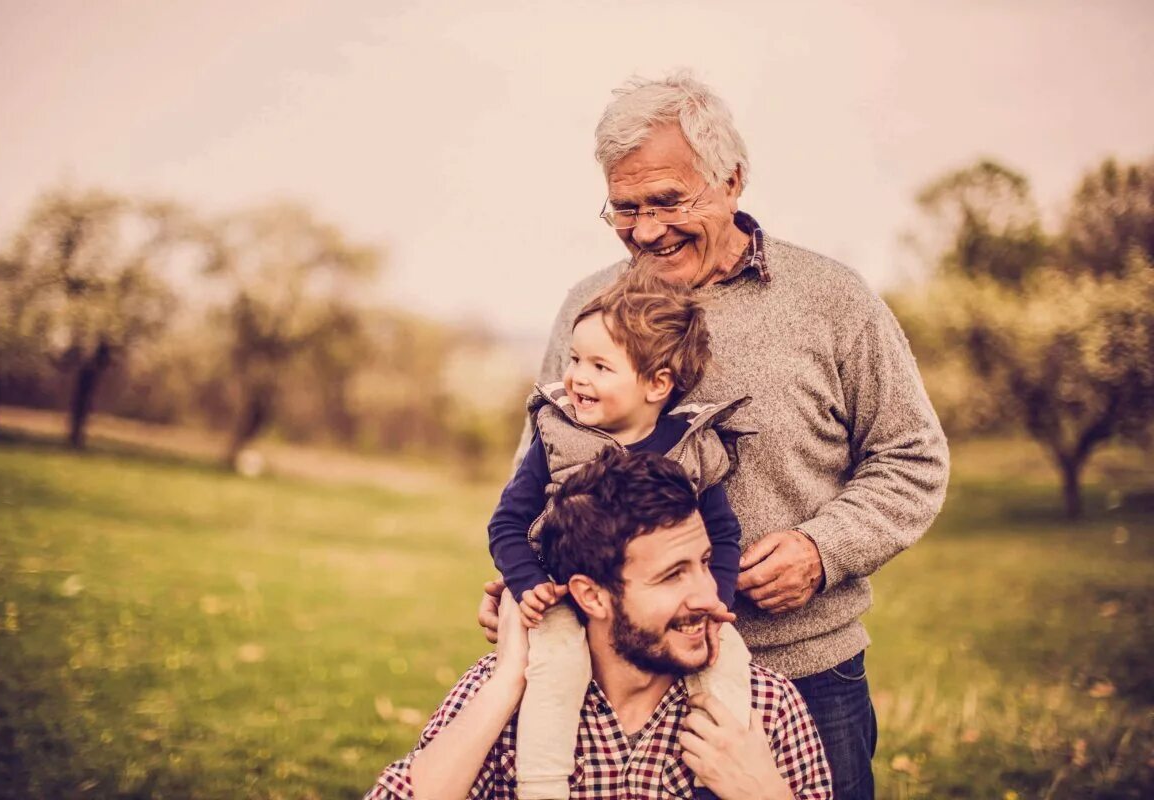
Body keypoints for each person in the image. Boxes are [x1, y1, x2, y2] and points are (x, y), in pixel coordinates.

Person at [479, 71, 950, 799]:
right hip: (613, 684)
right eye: (625, 208)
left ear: (732, 180)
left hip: (801, 671)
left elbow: (912, 458)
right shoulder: (589, 306)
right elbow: (543, 471)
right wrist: (527, 576)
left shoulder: (831, 300)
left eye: (668, 201)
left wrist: (822, 551)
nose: (646, 229)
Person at [364, 450, 832, 800]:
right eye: (672, 575)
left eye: (705, 563)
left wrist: (764, 793)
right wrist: (508, 679)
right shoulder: (506, 693)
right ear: (591, 595)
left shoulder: (765, 707)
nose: (710, 597)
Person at [487, 269, 753, 799]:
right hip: (564, 598)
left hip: (664, 612)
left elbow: (722, 535)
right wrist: (526, 582)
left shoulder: (690, 446)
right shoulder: (557, 435)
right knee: (556, 668)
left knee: (730, 665)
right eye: (575, 360)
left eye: (600, 366)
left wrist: (714, 601)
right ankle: (542, 786)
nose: (577, 377)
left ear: (658, 383)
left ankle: (719, 777)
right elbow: (507, 522)